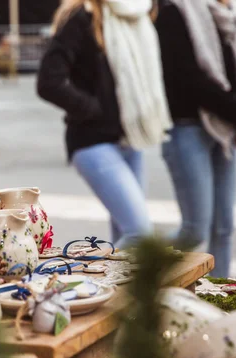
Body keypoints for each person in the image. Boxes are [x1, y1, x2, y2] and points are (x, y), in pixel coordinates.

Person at [37, 0, 172, 249]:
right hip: (92, 141)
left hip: (130, 140)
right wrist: (94, 109)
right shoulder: (82, 16)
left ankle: (121, 289)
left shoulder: (138, 12)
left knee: (125, 233)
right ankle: (93, 281)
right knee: (140, 234)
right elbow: (48, 81)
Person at [156, 0, 236, 277]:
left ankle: (218, 299)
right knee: (195, 229)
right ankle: (140, 270)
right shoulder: (174, 12)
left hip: (224, 130)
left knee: (223, 228)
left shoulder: (228, 15)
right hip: (186, 129)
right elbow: (188, 80)